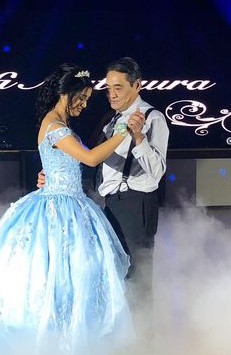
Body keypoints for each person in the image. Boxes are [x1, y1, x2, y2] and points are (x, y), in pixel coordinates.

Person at [0, 63, 135, 355]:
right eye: (80, 98)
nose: (83, 105)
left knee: (76, 276)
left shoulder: (59, 125)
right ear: (64, 94)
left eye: (86, 100)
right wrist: (124, 131)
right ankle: (57, 344)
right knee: (55, 275)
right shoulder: (55, 125)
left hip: (73, 205)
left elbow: (63, 163)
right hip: (58, 209)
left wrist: (49, 174)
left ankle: (71, 338)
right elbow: (91, 158)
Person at [38, 57, 169, 313]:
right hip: (106, 206)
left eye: (118, 87)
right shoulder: (111, 120)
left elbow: (156, 173)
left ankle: (144, 345)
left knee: (137, 278)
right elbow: (86, 158)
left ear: (137, 85)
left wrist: (139, 137)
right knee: (111, 274)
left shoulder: (153, 118)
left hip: (135, 203)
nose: (111, 94)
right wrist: (51, 173)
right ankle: (119, 340)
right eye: (108, 88)